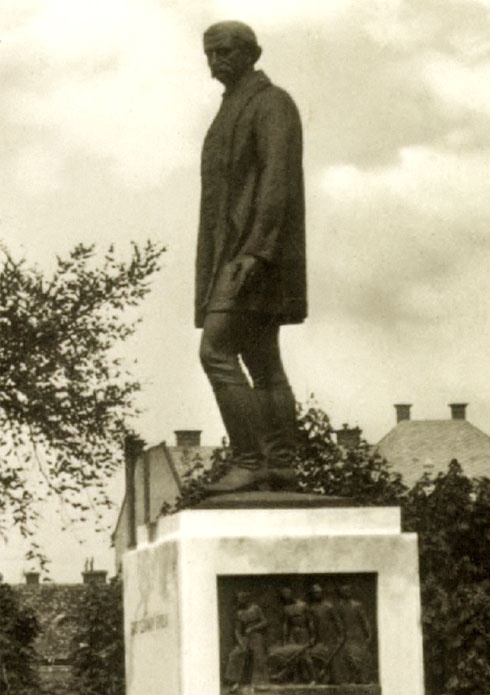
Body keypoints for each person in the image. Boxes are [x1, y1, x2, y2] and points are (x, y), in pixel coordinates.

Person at [196, 21, 307, 493]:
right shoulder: (231, 108)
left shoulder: (272, 102)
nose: (216, 60)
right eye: (210, 53)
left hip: (255, 253)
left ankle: (250, 459)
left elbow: (278, 180)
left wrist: (257, 252)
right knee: (262, 359)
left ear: (252, 54)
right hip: (235, 252)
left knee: (216, 351)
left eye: (226, 51)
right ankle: (279, 464)